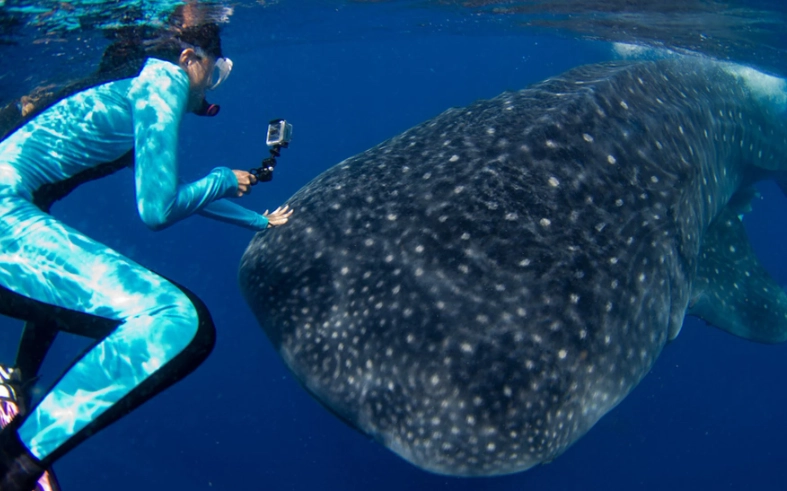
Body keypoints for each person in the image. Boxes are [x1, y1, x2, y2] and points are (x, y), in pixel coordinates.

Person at [0, 21, 293, 490]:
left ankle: (15, 383)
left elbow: (179, 193)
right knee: (175, 321)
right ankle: (12, 467)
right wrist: (221, 176)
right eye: (214, 74)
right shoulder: (164, 85)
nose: (210, 88)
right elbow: (157, 211)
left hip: (10, 207)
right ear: (189, 59)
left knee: (73, 277)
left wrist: (257, 221)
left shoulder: (143, 90)